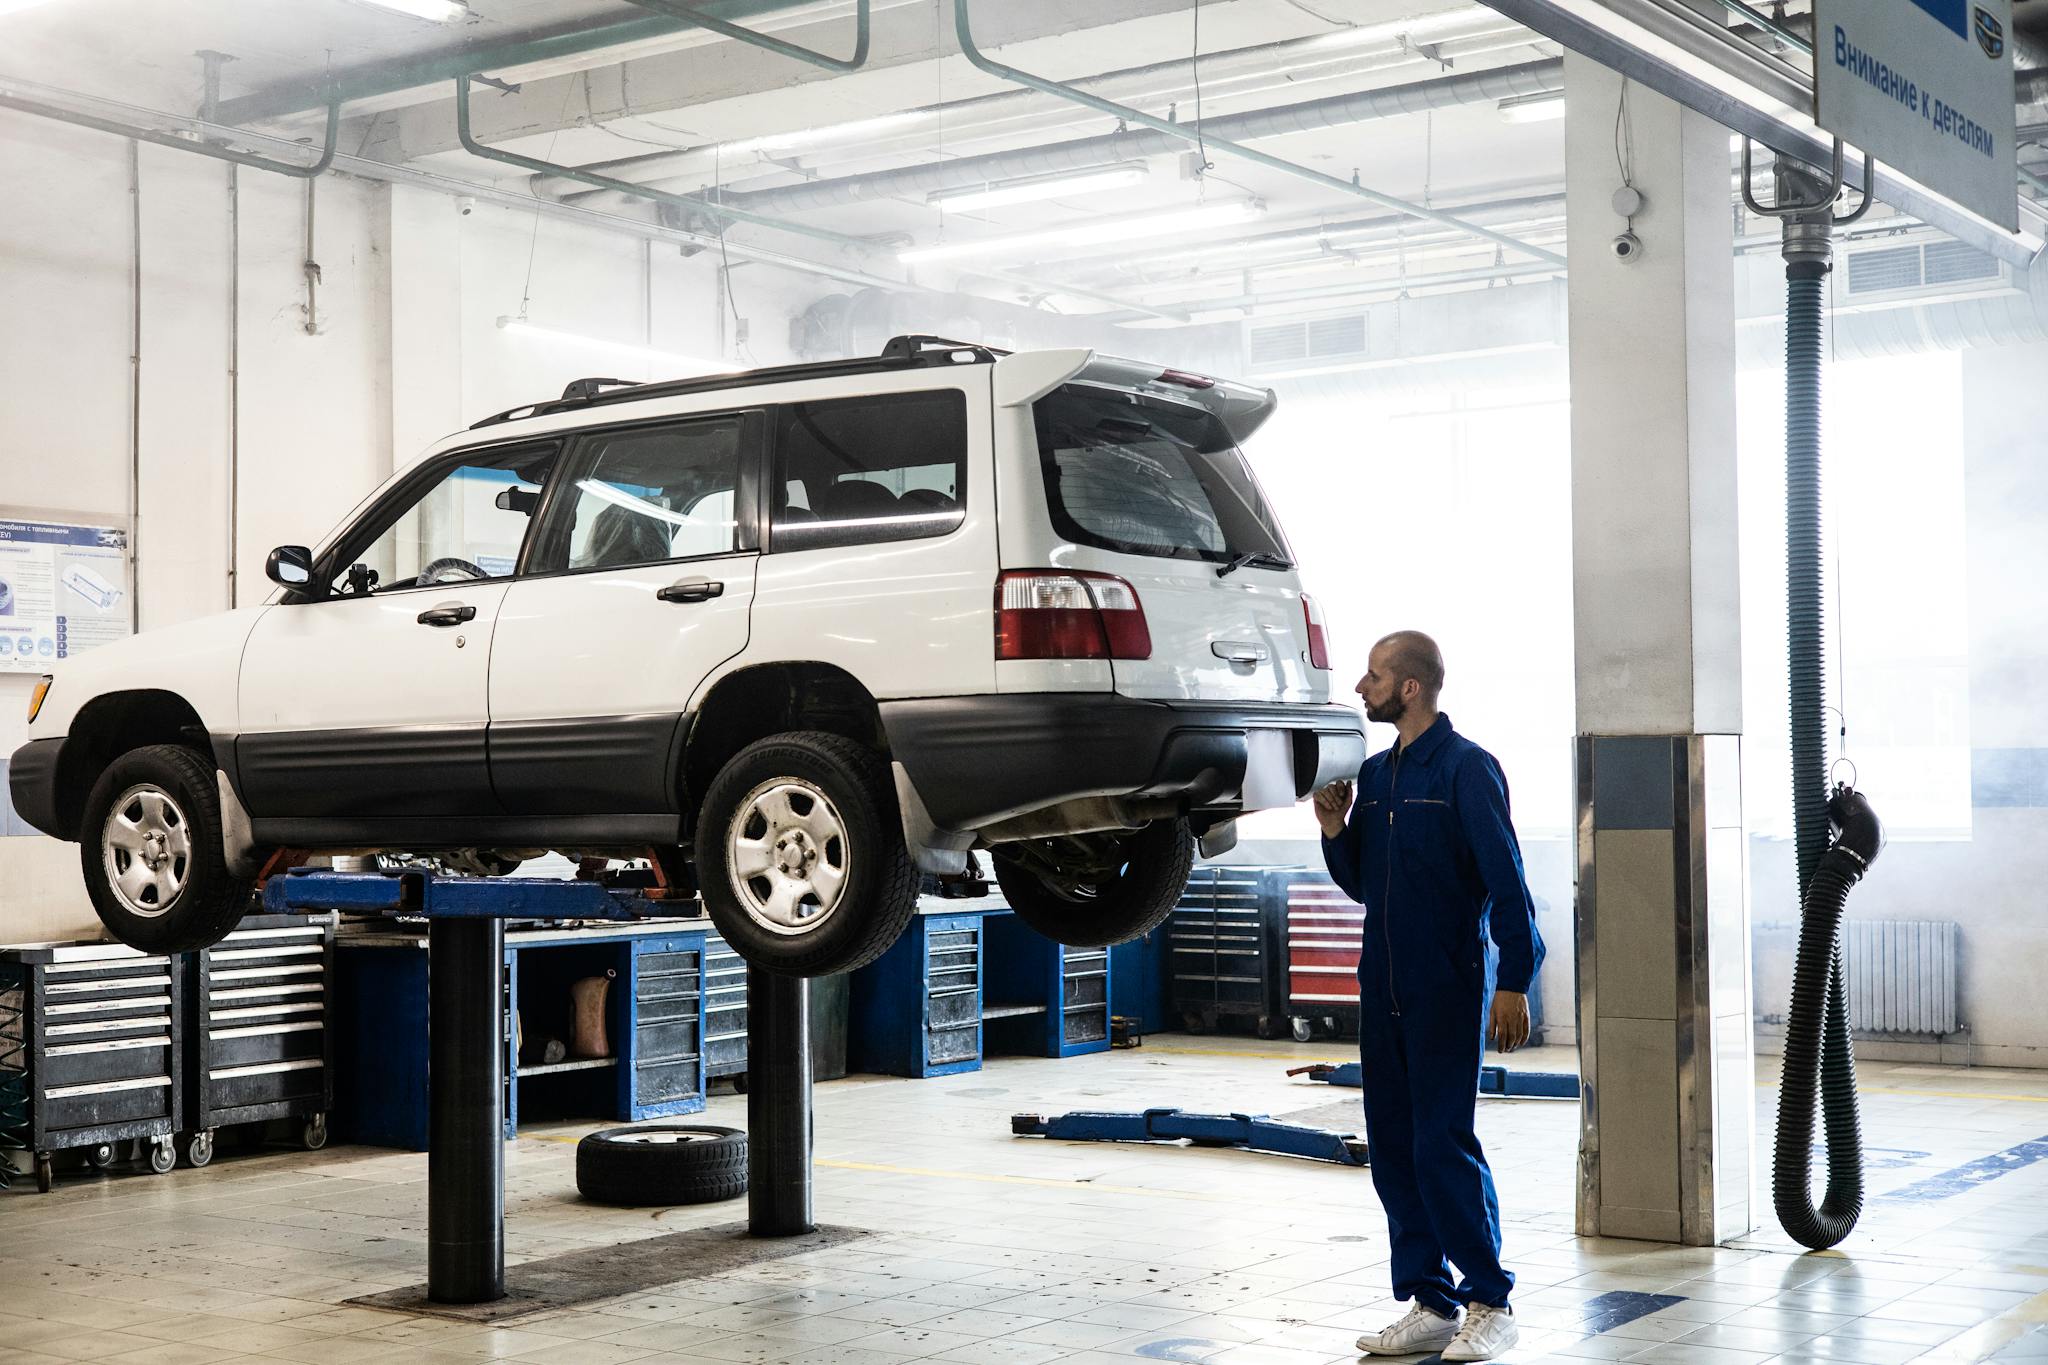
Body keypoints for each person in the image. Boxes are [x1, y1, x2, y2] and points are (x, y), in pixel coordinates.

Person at [1313, 630, 1543, 1363]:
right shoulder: (1375, 776)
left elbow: (1508, 883)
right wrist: (1333, 829)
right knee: (1394, 1149)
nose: (1361, 686)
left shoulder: (1467, 770)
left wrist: (1513, 980)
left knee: (1442, 1144)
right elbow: (1364, 885)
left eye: (1374, 676)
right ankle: (1430, 1299)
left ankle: (1490, 1299)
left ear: (1410, 687)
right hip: (1380, 987)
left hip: (1446, 986)